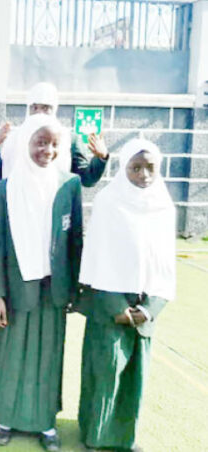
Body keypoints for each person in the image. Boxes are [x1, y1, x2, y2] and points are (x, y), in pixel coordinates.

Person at [0, 114, 83, 452]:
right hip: (17, 285)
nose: (47, 150)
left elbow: (75, 240)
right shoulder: (8, 187)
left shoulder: (70, 184)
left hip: (54, 287)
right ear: (25, 143)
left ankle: (44, 422)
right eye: (40, 141)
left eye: (54, 143)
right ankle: (4, 418)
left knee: (48, 355)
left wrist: (74, 289)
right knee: (11, 354)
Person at [77, 139, 176, 452]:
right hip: (110, 306)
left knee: (135, 376)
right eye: (136, 167)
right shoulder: (109, 202)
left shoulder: (164, 205)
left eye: (150, 168)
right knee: (104, 371)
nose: (144, 175)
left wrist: (148, 310)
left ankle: (124, 438)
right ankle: (95, 434)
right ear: (123, 168)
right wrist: (116, 307)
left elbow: (165, 265)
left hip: (145, 307)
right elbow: (97, 257)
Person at [0, 82, 108, 187]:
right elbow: (1, 177)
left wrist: (100, 158)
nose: (39, 113)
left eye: (45, 108)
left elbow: (86, 180)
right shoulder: (15, 137)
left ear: (54, 109)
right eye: (34, 108)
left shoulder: (68, 139)